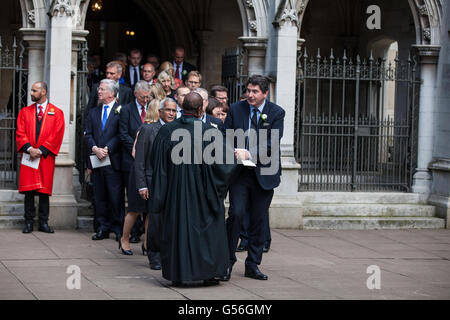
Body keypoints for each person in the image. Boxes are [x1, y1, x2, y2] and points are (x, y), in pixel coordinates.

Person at [149, 92, 238, 286]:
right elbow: (227, 164)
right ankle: (209, 273)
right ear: (200, 110)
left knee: (178, 232)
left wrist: (160, 195)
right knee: (207, 234)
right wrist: (217, 188)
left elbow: (158, 165)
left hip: (176, 193)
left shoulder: (167, 132)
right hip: (204, 193)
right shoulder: (210, 131)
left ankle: (179, 274)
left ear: (182, 108)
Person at [222, 75, 285, 281]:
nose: (250, 95)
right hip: (240, 174)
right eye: (248, 90)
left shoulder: (276, 113)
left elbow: (272, 142)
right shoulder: (235, 108)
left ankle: (253, 264)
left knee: (259, 219)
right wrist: (232, 151)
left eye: (255, 91)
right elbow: (225, 135)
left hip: (264, 173)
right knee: (236, 214)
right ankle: (227, 261)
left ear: (265, 93)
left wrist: (250, 153)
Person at [16, 81, 65, 234]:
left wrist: (42, 150)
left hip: (45, 157)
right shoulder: (25, 111)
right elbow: (20, 132)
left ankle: (44, 222)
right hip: (29, 156)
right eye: (31, 90)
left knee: (44, 192)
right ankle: (28, 222)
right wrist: (30, 149)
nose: (31, 93)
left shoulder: (57, 112)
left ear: (43, 92)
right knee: (29, 191)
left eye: (34, 90)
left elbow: (57, 134)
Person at [134, 98, 177, 270]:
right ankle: (154, 255)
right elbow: (139, 160)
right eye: (168, 110)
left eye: (174, 110)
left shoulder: (178, 130)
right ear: (160, 111)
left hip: (173, 183)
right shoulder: (148, 129)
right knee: (155, 221)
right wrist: (142, 184)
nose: (171, 114)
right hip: (153, 182)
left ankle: (168, 254)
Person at [85, 79, 124, 241]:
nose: (98, 92)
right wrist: (95, 149)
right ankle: (102, 227)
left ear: (111, 93)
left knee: (115, 197)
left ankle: (119, 228)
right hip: (97, 161)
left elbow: (120, 134)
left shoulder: (121, 111)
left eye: (102, 89)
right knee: (99, 197)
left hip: (113, 160)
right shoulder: (93, 112)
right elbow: (88, 134)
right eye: (99, 89)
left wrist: (107, 149)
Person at [119, 81, 152, 252]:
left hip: (149, 166)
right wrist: (138, 149)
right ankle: (124, 239)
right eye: (142, 97)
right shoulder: (126, 110)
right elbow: (123, 134)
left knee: (149, 209)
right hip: (133, 164)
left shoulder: (151, 109)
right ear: (135, 94)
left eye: (147, 97)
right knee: (135, 208)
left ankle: (147, 242)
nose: (145, 100)